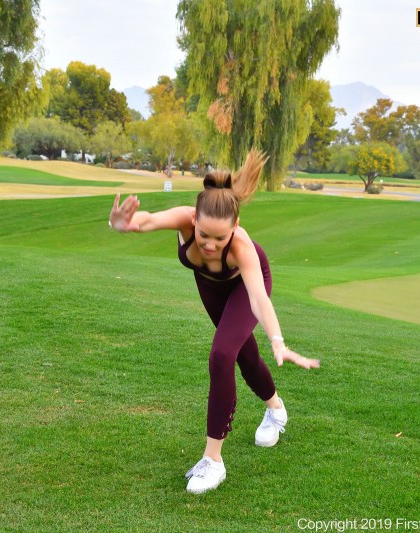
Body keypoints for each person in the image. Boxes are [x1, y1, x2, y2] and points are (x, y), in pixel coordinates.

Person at [108, 150, 320, 495]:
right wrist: (123, 225)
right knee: (244, 355)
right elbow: (145, 220)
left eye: (220, 238)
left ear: (235, 227)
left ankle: (213, 460)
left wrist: (278, 340)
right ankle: (276, 409)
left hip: (246, 287)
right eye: (204, 234)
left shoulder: (241, 247)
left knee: (222, 355)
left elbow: (258, 298)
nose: (209, 244)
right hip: (210, 287)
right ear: (194, 220)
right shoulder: (184, 217)